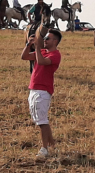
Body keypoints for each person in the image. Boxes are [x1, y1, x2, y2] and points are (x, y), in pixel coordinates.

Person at [21, 29, 62, 159]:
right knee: (41, 119)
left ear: (55, 41)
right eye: (44, 38)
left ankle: (44, 148)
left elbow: (42, 62)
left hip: (43, 90)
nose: (44, 40)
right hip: (34, 89)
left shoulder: (55, 55)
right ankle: (52, 146)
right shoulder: (43, 51)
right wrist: (29, 44)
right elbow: (24, 57)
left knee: (42, 121)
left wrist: (37, 47)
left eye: (48, 38)